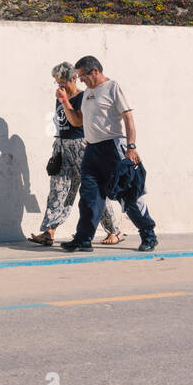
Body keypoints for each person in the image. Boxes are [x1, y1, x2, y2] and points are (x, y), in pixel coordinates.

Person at [59, 56, 158, 253]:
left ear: (94, 71)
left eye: (82, 77)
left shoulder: (113, 88)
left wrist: (131, 147)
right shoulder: (88, 93)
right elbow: (78, 122)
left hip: (113, 148)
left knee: (127, 195)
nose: (81, 81)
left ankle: (148, 234)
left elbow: (128, 118)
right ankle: (84, 239)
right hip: (92, 151)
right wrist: (64, 102)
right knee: (89, 196)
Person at [30, 62, 124, 245]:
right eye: (57, 82)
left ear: (74, 78)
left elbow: (76, 122)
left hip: (81, 147)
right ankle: (49, 231)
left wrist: (65, 101)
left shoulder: (83, 97)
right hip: (62, 147)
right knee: (58, 191)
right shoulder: (61, 96)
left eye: (63, 81)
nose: (60, 86)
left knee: (93, 191)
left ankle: (115, 230)